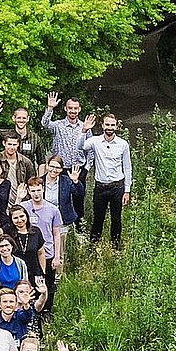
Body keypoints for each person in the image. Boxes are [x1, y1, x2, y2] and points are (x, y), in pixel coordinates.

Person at [41, 94, 96, 227]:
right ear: (66, 109)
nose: (73, 111)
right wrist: (49, 108)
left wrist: (87, 167)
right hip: (60, 169)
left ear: (79, 109)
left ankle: (79, 228)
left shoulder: (85, 127)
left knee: (78, 198)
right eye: (70, 108)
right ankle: (58, 225)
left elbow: (91, 149)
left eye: (75, 108)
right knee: (60, 197)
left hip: (78, 169)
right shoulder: (58, 125)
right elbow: (45, 124)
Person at [82, 114, 132, 248]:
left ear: (116, 126)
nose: (110, 127)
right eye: (107, 124)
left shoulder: (123, 144)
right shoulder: (95, 141)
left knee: (116, 219)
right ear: (102, 125)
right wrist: (84, 130)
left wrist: (127, 190)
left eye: (112, 125)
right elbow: (81, 146)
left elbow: (127, 167)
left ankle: (115, 247)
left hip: (117, 187)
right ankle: (93, 247)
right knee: (98, 218)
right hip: (101, 187)